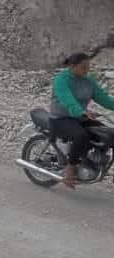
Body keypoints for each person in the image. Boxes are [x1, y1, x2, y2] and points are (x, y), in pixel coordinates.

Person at [49, 52, 114, 189]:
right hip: (60, 118)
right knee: (81, 135)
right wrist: (81, 112)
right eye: (83, 67)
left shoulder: (88, 80)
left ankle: (91, 161)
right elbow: (67, 100)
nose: (87, 70)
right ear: (72, 67)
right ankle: (70, 169)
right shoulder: (61, 79)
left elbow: (104, 99)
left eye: (88, 67)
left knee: (107, 134)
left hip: (80, 117)